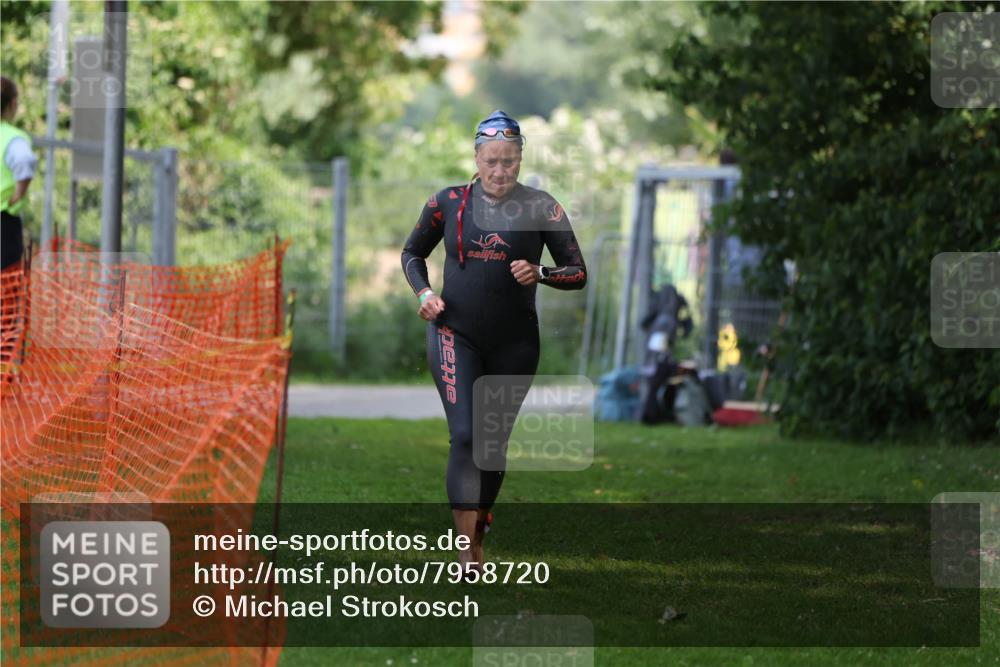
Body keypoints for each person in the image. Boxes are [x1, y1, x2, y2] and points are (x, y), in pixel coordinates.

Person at [400, 110, 587, 577]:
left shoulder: (543, 206)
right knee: (465, 435)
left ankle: (479, 529)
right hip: (454, 333)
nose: (500, 171)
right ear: (477, 158)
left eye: (509, 161)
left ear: (520, 158)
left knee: (492, 444)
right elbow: (412, 253)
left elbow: (578, 271)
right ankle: (466, 553)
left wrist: (541, 272)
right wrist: (424, 293)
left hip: (515, 341)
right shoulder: (446, 202)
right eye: (491, 161)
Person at [1, 76, 37, 270]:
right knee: (6, 290)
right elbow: (25, 161)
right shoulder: (11, 137)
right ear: (13, 103)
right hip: (4, 222)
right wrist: (17, 195)